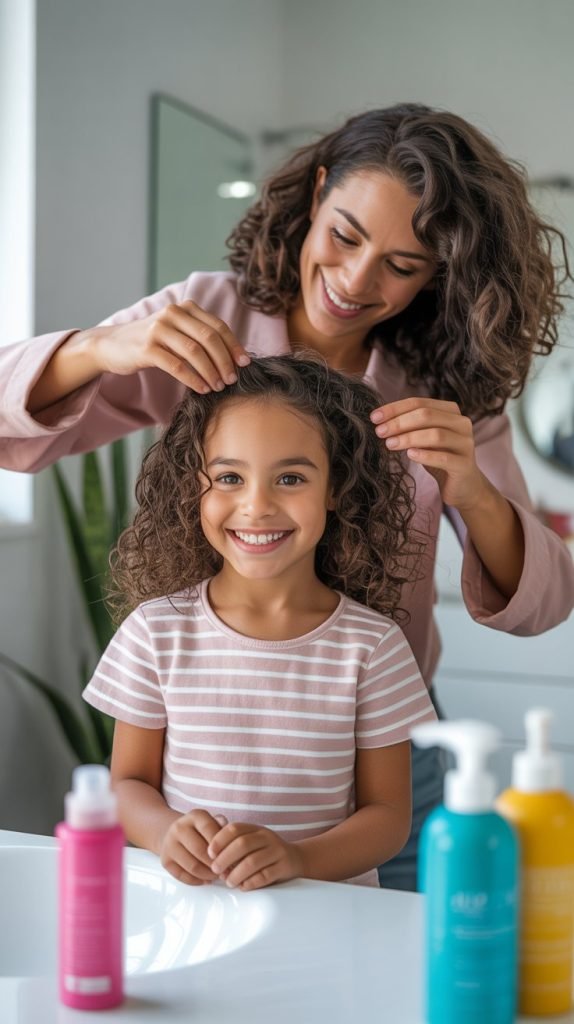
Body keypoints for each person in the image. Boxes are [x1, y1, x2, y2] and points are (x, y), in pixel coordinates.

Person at [1, 102, 574, 890]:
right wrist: (101, 347)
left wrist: (469, 486)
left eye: (403, 265)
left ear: (443, 273)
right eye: (344, 235)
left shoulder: (451, 387)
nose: (354, 280)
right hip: (208, 724)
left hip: (377, 731)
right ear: (313, 196)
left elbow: (545, 597)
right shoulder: (210, 314)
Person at [82, 355, 436, 889]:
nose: (256, 506)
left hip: (329, 922)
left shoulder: (373, 646)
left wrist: (298, 860)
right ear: (192, 487)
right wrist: (164, 833)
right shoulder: (155, 632)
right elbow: (128, 783)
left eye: (290, 478)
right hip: (192, 919)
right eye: (228, 477)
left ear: (335, 488)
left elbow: (387, 818)